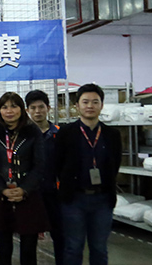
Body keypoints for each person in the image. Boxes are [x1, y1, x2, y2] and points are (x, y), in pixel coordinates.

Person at [0, 92, 49, 265]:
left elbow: (40, 165)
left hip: (28, 195)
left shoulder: (33, 131)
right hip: (1, 196)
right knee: (3, 250)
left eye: (14, 106)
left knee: (28, 250)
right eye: (4, 107)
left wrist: (24, 189)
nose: (9, 111)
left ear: (22, 109)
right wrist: (3, 189)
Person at [56, 84, 121, 265]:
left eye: (95, 102)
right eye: (85, 102)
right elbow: (57, 164)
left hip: (102, 200)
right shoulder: (65, 133)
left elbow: (115, 164)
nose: (90, 106)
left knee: (99, 248)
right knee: (73, 246)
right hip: (74, 199)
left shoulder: (112, 134)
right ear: (77, 105)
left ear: (102, 105)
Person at [25, 89, 63, 264]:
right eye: (33, 108)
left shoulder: (59, 134)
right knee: (29, 240)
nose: (37, 111)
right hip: (30, 195)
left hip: (55, 194)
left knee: (61, 237)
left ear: (48, 108)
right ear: (27, 110)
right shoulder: (23, 135)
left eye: (41, 107)